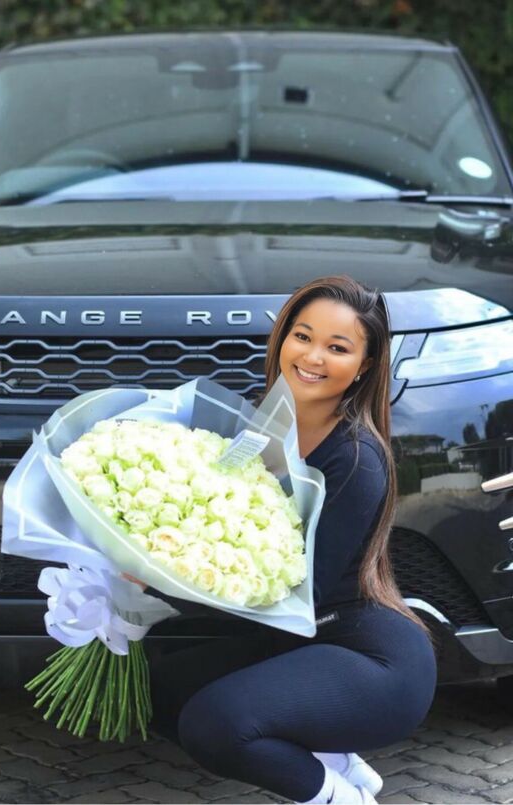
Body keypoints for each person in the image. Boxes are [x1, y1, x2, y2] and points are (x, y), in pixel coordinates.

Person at [142, 275, 438, 804]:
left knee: (215, 724)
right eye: (302, 336)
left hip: (371, 658)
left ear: (365, 364)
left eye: (337, 347)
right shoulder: (256, 425)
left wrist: (154, 581)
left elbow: (299, 593)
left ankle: (341, 798)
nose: (313, 356)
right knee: (158, 691)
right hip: (301, 643)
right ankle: (336, 761)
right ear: (282, 339)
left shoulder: (356, 458)